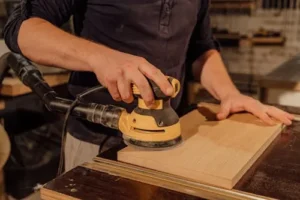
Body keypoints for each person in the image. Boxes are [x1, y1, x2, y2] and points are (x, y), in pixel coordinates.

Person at [3, 0, 294, 171]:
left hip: (171, 139)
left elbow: (201, 48)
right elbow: (22, 29)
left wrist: (230, 94)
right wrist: (101, 58)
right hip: (94, 137)